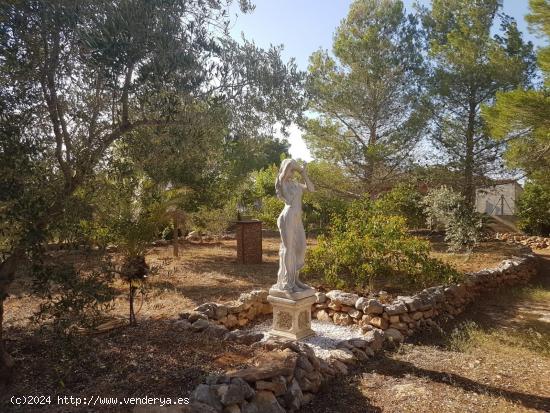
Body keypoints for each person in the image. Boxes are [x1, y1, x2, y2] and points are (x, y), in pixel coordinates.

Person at [273, 158, 315, 294]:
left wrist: (304, 173)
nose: (292, 171)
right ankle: (289, 282)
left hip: (297, 219)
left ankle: (296, 279)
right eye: (291, 169)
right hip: (288, 217)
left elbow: (311, 189)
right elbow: (287, 168)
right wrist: (296, 167)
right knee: (289, 249)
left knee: (301, 248)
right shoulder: (282, 180)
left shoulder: (296, 184)